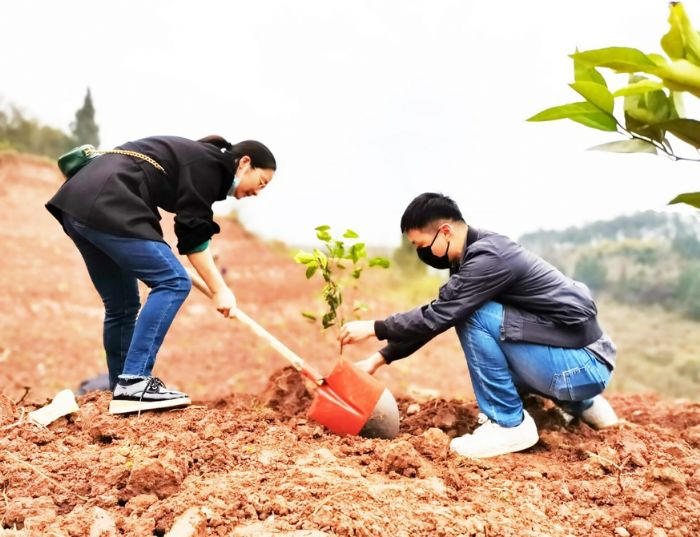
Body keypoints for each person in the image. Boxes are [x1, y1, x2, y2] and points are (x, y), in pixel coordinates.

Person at [339, 193, 618, 459]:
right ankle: (585, 406)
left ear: (445, 232)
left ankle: (508, 425)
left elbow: (441, 315)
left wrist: (375, 327)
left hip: (581, 367)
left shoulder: (488, 258)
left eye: (422, 246)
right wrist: (379, 358)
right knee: (471, 316)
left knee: (472, 315)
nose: (422, 253)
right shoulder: (473, 256)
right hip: (585, 364)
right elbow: (439, 318)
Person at [46, 135, 276, 414]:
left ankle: (122, 389)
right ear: (244, 163)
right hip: (110, 201)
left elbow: (191, 226)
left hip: (78, 204)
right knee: (173, 282)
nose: (258, 192)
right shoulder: (210, 164)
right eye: (261, 183)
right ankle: (135, 382)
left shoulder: (198, 159)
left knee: (122, 305)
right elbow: (193, 234)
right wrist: (220, 289)